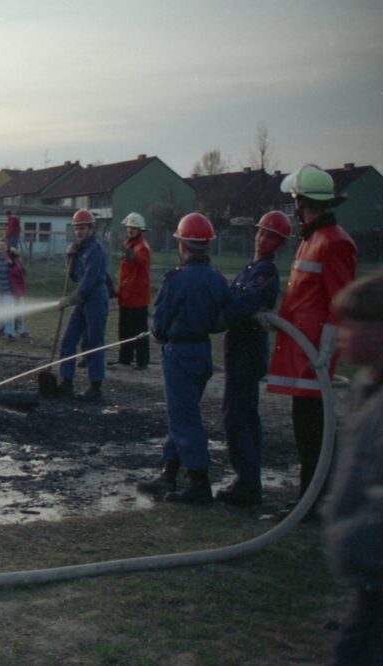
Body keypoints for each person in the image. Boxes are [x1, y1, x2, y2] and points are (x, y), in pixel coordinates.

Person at [266, 164, 357, 512]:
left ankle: (315, 497)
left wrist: (326, 350)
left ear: (302, 201)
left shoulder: (334, 242)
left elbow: (340, 301)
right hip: (300, 345)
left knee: (313, 429)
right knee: (304, 427)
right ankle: (311, 495)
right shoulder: (313, 238)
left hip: (313, 352)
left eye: (296, 201)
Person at [137, 213, 230, 504]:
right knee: (182, 414)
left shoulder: (176, 281)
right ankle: (169, 473)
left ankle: (198, 484)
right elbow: (221, 320)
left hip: (179, 354)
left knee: (185, 417)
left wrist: (157, 333)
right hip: (202, 352)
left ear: (183, 245)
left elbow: (160, 322)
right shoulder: (217, 280)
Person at [323, 271, 383, 665]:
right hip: (368, 575)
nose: (341, 332)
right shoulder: (365, 387)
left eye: (353, 325)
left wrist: (350, 540)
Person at [215, 212, 287, 506]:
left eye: (270, 235)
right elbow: (234, 299)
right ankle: (247, 479)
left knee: (237, 418)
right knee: (244, 416)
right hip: (239, 350)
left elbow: (240, 304)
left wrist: (215, 317)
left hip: (248, 352)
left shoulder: (265, 273)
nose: (262, 238)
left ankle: (246, 485)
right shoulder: (252, 268)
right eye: (260, 232)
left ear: (279, 243)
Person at [55, 209, 109, 401]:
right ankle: (66, 382)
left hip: (95, 297)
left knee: (94, 341)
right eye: (76, 228)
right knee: (69, 339)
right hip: (82, 298)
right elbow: (76, 277)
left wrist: (68, 301)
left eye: (82, 228)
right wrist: (70, 259)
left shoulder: (97, 252)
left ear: (92, 229)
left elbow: (87, 284)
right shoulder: (80, 249)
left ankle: (96, 387)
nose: (78, 232)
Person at [116, 212, 151, 369]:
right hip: (127, 296)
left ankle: (142, 361)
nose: (130, 230)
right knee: (124, 330)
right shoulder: (130, 245)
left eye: (134, 227)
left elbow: (140, 261)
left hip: (137, 298)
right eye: (129, 227)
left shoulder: (141, 247)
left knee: (139, 331)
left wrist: (129, 254)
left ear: (140, 230)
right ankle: (125, 359)